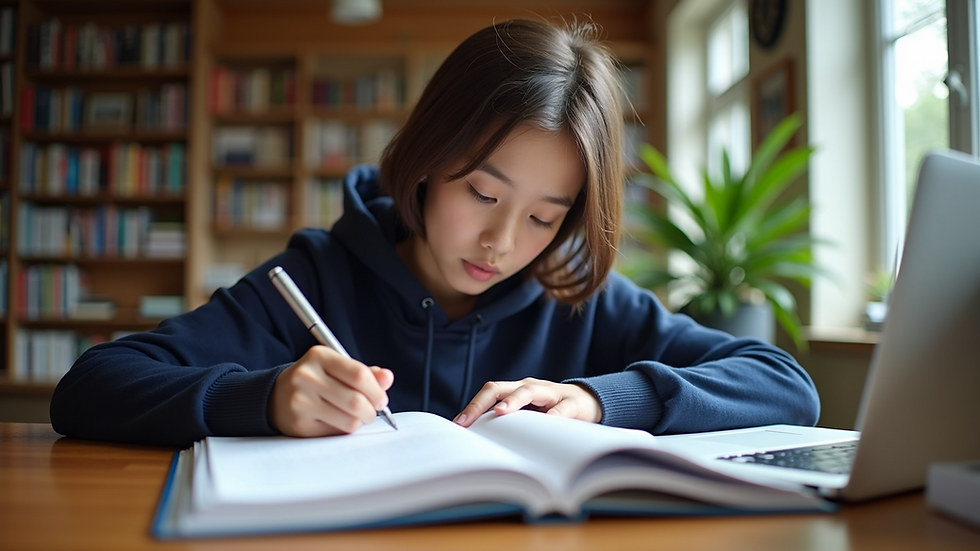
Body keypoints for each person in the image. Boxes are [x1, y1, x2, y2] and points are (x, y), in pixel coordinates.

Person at [49, 19, 819, 448]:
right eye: (483, 192)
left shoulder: (578, 299)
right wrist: (265, 397)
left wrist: (599, 398)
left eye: (546, 216)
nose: (503, 242)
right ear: (426, 160)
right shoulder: (318, 276)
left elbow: (788, 385)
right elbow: (90, 388)